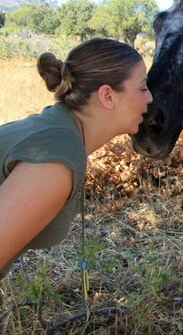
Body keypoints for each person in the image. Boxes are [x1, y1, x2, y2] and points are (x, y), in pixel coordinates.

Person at [0, 38, 153, 277]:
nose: (149, 98)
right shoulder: (57, 155)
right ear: (108, 96)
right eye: (142, 88)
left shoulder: (60, 131)